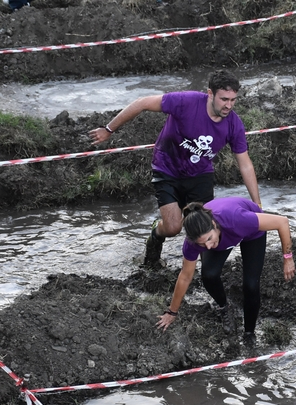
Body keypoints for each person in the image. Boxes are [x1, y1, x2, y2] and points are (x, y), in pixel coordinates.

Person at [88, 70, 261, 268]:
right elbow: (142, 103)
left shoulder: (234, 124)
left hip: (200, 174)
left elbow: (245, 163)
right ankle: (156, 234)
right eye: (224, 99)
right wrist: (109, 129)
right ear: (210, 94)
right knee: (173, 227)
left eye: (233, 100)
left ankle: (204, 272)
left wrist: (257, 204)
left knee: (205, 227)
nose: (228, 105)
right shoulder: (185, 102)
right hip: (167, 168)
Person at [155, 197, 295, 343]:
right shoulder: (194, 242)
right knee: (209, 274)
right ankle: (224, 307)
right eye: (202, 244)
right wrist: (172, 312)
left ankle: (249, 333)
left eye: (209, 239)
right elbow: (185, 276)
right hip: (223, 235)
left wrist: (288, 258)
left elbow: (282, 222)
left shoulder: (237, 219)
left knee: (251, 285)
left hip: (251, 233)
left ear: (214, 224)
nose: (208, 247)